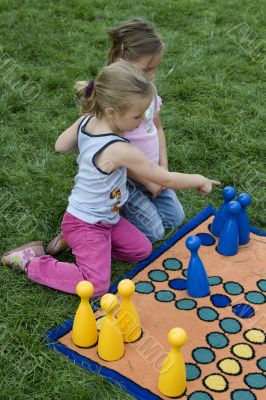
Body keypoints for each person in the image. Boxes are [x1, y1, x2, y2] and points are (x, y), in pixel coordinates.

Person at [1, 61, 219, 296]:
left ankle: (79, 246)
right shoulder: (118, 149)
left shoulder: (87, 121)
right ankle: (31, 261)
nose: (141, 123)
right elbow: (165, 179)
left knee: (141, 250)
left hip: (107, 220)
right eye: (137, 116)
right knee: (96, 286)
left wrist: (83, 125)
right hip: (85, 223)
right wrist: (199, 179)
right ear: (112, 112)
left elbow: (60, 146)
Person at [46, 18, 184, 255]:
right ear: (123, 62)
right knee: (155, 233)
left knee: (175, 218)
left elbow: (157, 128)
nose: (153, 76)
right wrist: (150, 180)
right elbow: (117, 155)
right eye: (147, 69)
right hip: (126, 180)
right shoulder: (114, 109)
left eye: (156, 68)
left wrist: (163, 169)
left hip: (152, 172)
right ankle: (87, 230)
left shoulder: (147, 92)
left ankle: (97, 225)